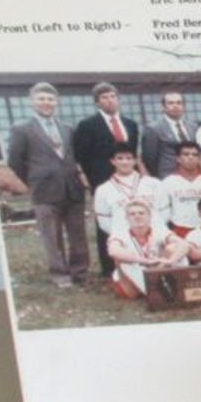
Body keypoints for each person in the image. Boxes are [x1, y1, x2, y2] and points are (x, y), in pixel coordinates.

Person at [2, 81, 90, 287]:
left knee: (78, 234)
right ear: (32, 102)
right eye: (41, 99)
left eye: (50, 99)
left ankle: (80, 272)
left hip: (72, 188)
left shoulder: (67, 128)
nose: (46, 103)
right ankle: (60, 274)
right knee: (52, 236)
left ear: (56, 102)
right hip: (44, 191)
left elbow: (74, 156)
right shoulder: (21, 129)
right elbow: (14, 160)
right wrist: (33, 179)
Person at [72, 81, 138, 275]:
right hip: (102, 180)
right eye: (104, 98)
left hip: (129, 179)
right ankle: (110, 267)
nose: (109, 101)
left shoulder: (130, 124)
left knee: (132, 217)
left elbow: (132, 153)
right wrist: (88, 179)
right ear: (97, 102)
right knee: (107, 223)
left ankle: (134, 259)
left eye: (112, 96)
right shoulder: (87, 125)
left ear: (118, 99)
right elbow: (81, 155)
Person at [107, 200, 187, 300]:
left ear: (149, 216)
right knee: (121, 259)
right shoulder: (120, 233)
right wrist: (145, 261)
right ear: (127, 218)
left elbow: (184, 244)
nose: (137, 216)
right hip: (132, 276)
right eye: (132, 214)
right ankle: (158, 292)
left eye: (141, 213)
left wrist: (170, 260)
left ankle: (166, 288)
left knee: (172, 248)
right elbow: (113, 251)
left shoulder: (159, 230)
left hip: (158, 269)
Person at [92, 144, 169, 240]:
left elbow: (164, 212)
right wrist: (123, 236)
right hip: (123, 240)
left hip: (154, 237)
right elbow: (104, 221)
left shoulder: (153, 183)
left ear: (136, 161)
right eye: (120, 158)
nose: (125, 162)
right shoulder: (103, 190)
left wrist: (150, 232)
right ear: (112, 161)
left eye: (129, 158)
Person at [160, 142, 201, 234]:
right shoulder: (168, 182)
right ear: (178, 158)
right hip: (180, 230)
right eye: (186, 154)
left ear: (199, 159)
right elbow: (163, 211)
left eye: (195, 155)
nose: (191, 157)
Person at [141, 90, 193, 179]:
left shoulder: (192, 126)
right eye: (170, 103)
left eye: (179, 103)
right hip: (167, 176)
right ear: (163, 107)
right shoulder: (153, 128)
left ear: (184, 106)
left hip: (192, 176)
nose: (175, 106)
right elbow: (150, 159)